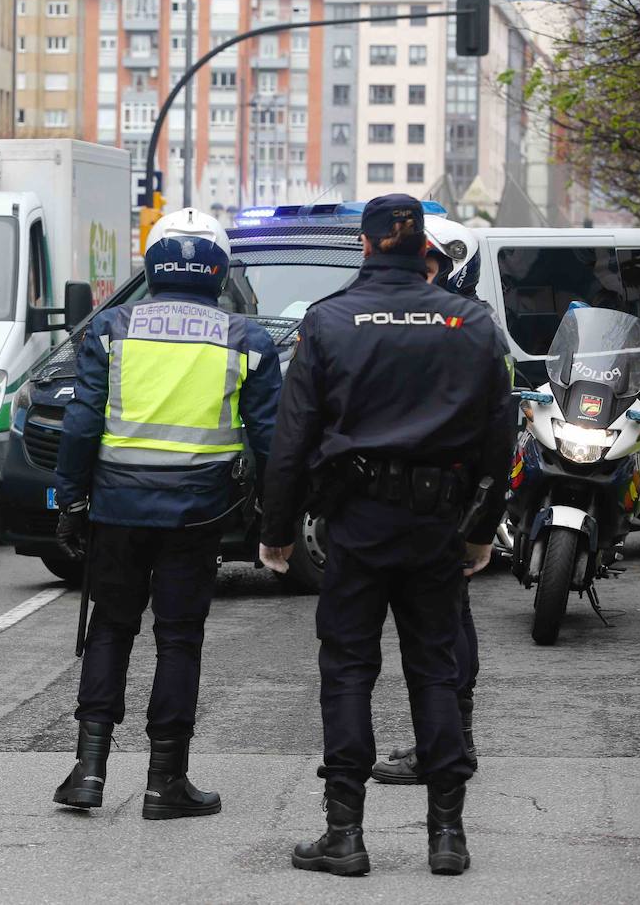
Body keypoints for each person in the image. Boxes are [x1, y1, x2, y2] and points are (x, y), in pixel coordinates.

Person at [259, 194, 515, 877]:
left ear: (366, 246)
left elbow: (292, 439)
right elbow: (500, 434)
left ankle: (344, 833)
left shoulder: (330, 320)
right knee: (435, 668)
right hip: (437, 524)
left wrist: (276, 530)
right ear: (423, 246)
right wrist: (482, 529)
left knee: (347, 669)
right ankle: (448, 835)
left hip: (358, 522)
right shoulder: (473, 320)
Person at [51, 208, 282, 820]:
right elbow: (270, 438)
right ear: (219, 269)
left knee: (109, 629)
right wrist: (277, 516)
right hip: (199, 514)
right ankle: (164, 783)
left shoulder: (110, 328)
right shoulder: (246, 338)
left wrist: (71, 500)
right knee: (179, 639)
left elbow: (81, 423)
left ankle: (88, 772)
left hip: (118, 509)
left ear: (152, 264)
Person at [373, 214, 484, 786]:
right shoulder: (462, 324)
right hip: (449, 500)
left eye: (429, 260)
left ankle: (449, 747)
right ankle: (452, 742)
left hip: (436, 501)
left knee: (438, 634)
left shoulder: (448, 327)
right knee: (448, 624)